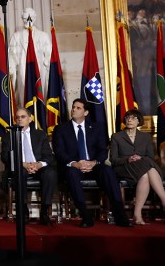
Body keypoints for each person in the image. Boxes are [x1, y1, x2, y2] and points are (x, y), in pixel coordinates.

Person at [52, 98, 133, 228]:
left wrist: (94, 162)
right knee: (71, 174)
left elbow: (102, 150)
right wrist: (75, 163)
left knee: (107, 171)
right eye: (73, 107)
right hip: (73, 166)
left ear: (86, 112)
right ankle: (85, 215)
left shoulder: (96, 128)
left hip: (93, 166)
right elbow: (59, 152)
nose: (74, 109)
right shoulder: (61, 129)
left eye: (78, 108)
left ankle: (120, 214)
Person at [110, 109, 165, 225]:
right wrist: (129, 159)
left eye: (133, 118)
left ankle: (137, 214)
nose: (130, 120)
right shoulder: (117, 136)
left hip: (142, 167)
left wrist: (139, 158)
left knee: (146, 174)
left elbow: (150, 157)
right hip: (124, 167)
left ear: (139, 121)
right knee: (149, 166)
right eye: (127, 118)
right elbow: (114, 160)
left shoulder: (145, 137)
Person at [0, 107, 57, 225]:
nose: (19, 119)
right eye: (17, 117)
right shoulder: (9, 136)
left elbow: (49, 156)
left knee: (50, 173)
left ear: (30, 119)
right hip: (20, 167)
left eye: (23, 117)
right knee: (20, 172)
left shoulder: (40, 135)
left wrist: (39, 164)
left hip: (38, 167)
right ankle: (24, 211)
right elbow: (5, 157)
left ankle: (45, 212)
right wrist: (22, 164)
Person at [8, 7, 51, 99]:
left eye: (30, 17)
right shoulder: (16, 37)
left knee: (40, 94)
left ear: (34, 18)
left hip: (40, 70)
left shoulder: (43, 36)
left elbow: (49, 56)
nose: (28, 20)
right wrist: (11, 69)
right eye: (25, 18)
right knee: (24, 96)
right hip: (23, 70)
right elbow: (11, 56)